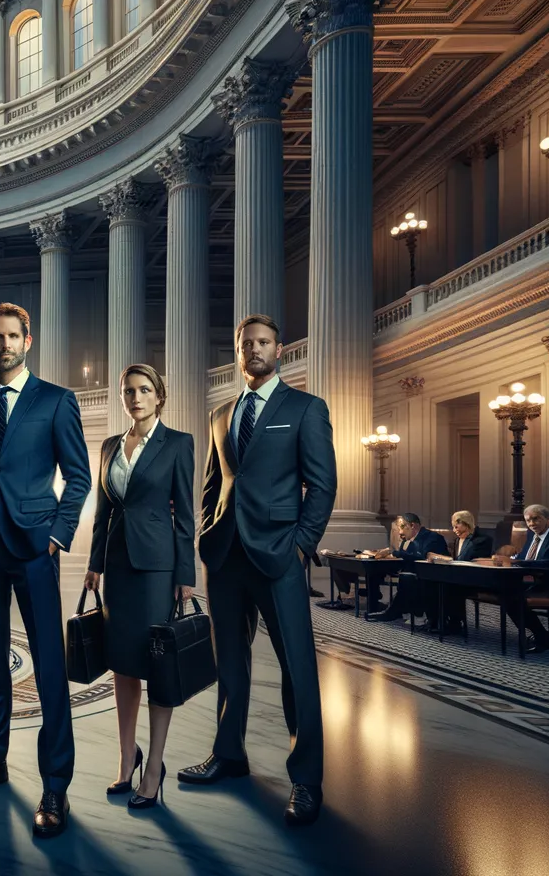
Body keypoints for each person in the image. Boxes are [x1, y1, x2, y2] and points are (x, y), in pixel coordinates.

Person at [179, 314, 336, 827]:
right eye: (246, 343)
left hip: (278, 555)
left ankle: (306, 780)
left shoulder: (306, 409)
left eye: (263, 342)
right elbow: (211, 483)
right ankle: (229, 755)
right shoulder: (220, 414)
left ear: (280, 350)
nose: (254, 350)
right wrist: (206, 534)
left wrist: (301, 545)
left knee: (297, 668)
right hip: (225, 556)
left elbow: (323, 485)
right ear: (238, 351)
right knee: (230, 664)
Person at [0, 303, 91, 839]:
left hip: (34, 547)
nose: (5, 344)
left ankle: (56, 783)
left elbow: (79, 477)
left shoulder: (57, 400)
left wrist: (57, 536)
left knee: (49, 665)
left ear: (28, 341)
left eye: (13, 336)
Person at [84, 363, 196, 811]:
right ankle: (127, 758)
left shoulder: (178, 444)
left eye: (144, 389)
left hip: (156, 569)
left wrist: (186, 576)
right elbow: (102, 512)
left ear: (159, 396)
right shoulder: (111, 446)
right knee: (122, 665)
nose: (135, 397)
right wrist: (94, 565)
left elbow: (186, 516)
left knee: (156, 665)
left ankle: (155, 769)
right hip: (116, 568)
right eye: (128, 390)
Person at [503, 504, 549, 652]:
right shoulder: (531, 537)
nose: (531, 523)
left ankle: (543, 638)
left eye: (536, 519)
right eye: (528, 520)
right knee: (501, 590)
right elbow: (523, 558)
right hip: (530, 581)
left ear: (548, 520)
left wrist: (520, 563)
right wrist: (510, 559)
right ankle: (536, 634)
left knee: (511, 597)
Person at [363, 513, 450, 623]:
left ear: (412, 525)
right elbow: (408, 558)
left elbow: (423, 557)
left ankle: (394, 612)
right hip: (414, 573)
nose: (400, 533)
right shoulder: (409, 541)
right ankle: (379, 607)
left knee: (407, 577)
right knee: (374, 570)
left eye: (401, 528)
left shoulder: (432, 537)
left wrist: (394, 553)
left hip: (433, 577)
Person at [423, 510, 491, 633]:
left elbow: (473, 561)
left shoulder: (482, 540)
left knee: (448, 587)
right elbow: (455, 560)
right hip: (457, 577)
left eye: (456, 526)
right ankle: (435, 621)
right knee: (431, 584)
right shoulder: (456, 541)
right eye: (453, 527)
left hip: (474, 579)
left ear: (466, 523)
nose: (454, 530)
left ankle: (454, 623)